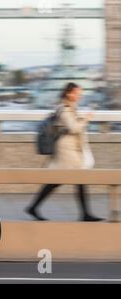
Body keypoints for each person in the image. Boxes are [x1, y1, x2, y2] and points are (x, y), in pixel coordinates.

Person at [26, 82, 103, 222]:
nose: (79, 96)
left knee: (57, 181)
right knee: (78, 179)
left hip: (70, 149)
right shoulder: (64, 109)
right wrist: (86, 119)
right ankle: (85, 214)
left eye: (80, 93)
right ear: (68, 93)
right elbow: (73, 128)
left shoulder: (70, 108)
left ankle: (33, 207)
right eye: (76, 93)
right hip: (66, 151)